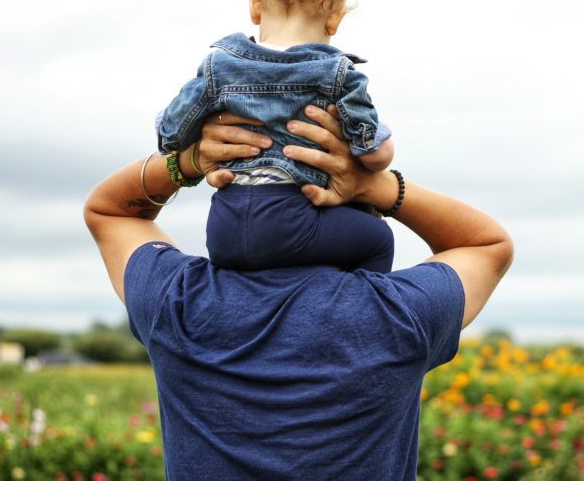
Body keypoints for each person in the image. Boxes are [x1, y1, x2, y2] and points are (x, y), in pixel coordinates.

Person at [84, 106, 513, 479]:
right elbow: (486, 245)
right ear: (357, 219)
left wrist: (189, 161)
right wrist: (375, 186)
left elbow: (110, 211)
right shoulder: (399, 315)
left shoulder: (179, 303)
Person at [156, 0, 395, 273]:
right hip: (294, 221)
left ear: (255, 8)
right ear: (334, 20)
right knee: (378, 238)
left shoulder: (218, 66)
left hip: (224, 227)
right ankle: (362, 314)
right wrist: (382, 145)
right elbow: (372, 154)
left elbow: (171, 135)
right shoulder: (338, 73)